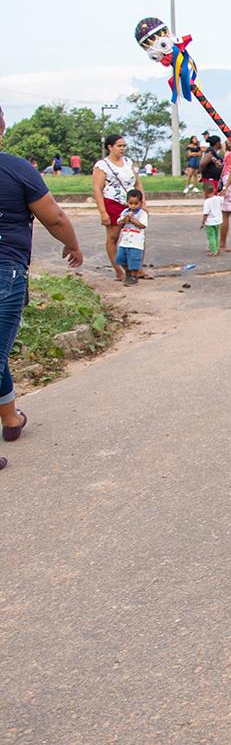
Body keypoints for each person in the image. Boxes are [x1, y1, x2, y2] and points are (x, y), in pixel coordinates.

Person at [0, 104, 83, 470]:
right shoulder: (17, 168)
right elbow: (55, 217)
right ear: (1, 126)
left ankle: (11, 420)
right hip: (6, 272)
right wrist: (73, 245)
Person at [93, 134, 143, 281]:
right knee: (113, 238)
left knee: (136, 235)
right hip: (113, 203)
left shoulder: (128, 162)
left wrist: (143, 203)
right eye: (119, 146)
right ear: (110, 147)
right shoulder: (102, 166)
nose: (122, 149)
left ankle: (137, 269)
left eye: (124, 146)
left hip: (132, 204)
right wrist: (103, 212)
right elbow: (97, 189)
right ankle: (119, 271)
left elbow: (138, 184)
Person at [115, 190, 148, 285]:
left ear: (141, 203)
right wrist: (125, 219)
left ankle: (134, 276)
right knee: (120, 258)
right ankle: (128, 272)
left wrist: (133, 220)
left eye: (136, 204)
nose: (133, 206)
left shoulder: (142, 214)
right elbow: (119, 222)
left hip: (136, 241)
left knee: (134, 259)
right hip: (125, 240)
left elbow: (143, 225)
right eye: (130, 203)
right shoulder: (125, 212)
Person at [201, 187, 223, 254]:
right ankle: (217, 248)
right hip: (218, 221)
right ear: (214, 191)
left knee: (211, 236)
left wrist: (203, 222)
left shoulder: (207, 201)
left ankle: (213, 250)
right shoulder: (219, 198)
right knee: (216, 235)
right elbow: (223, 196)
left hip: (210, 222)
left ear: (205, 193)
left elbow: (205, 214)